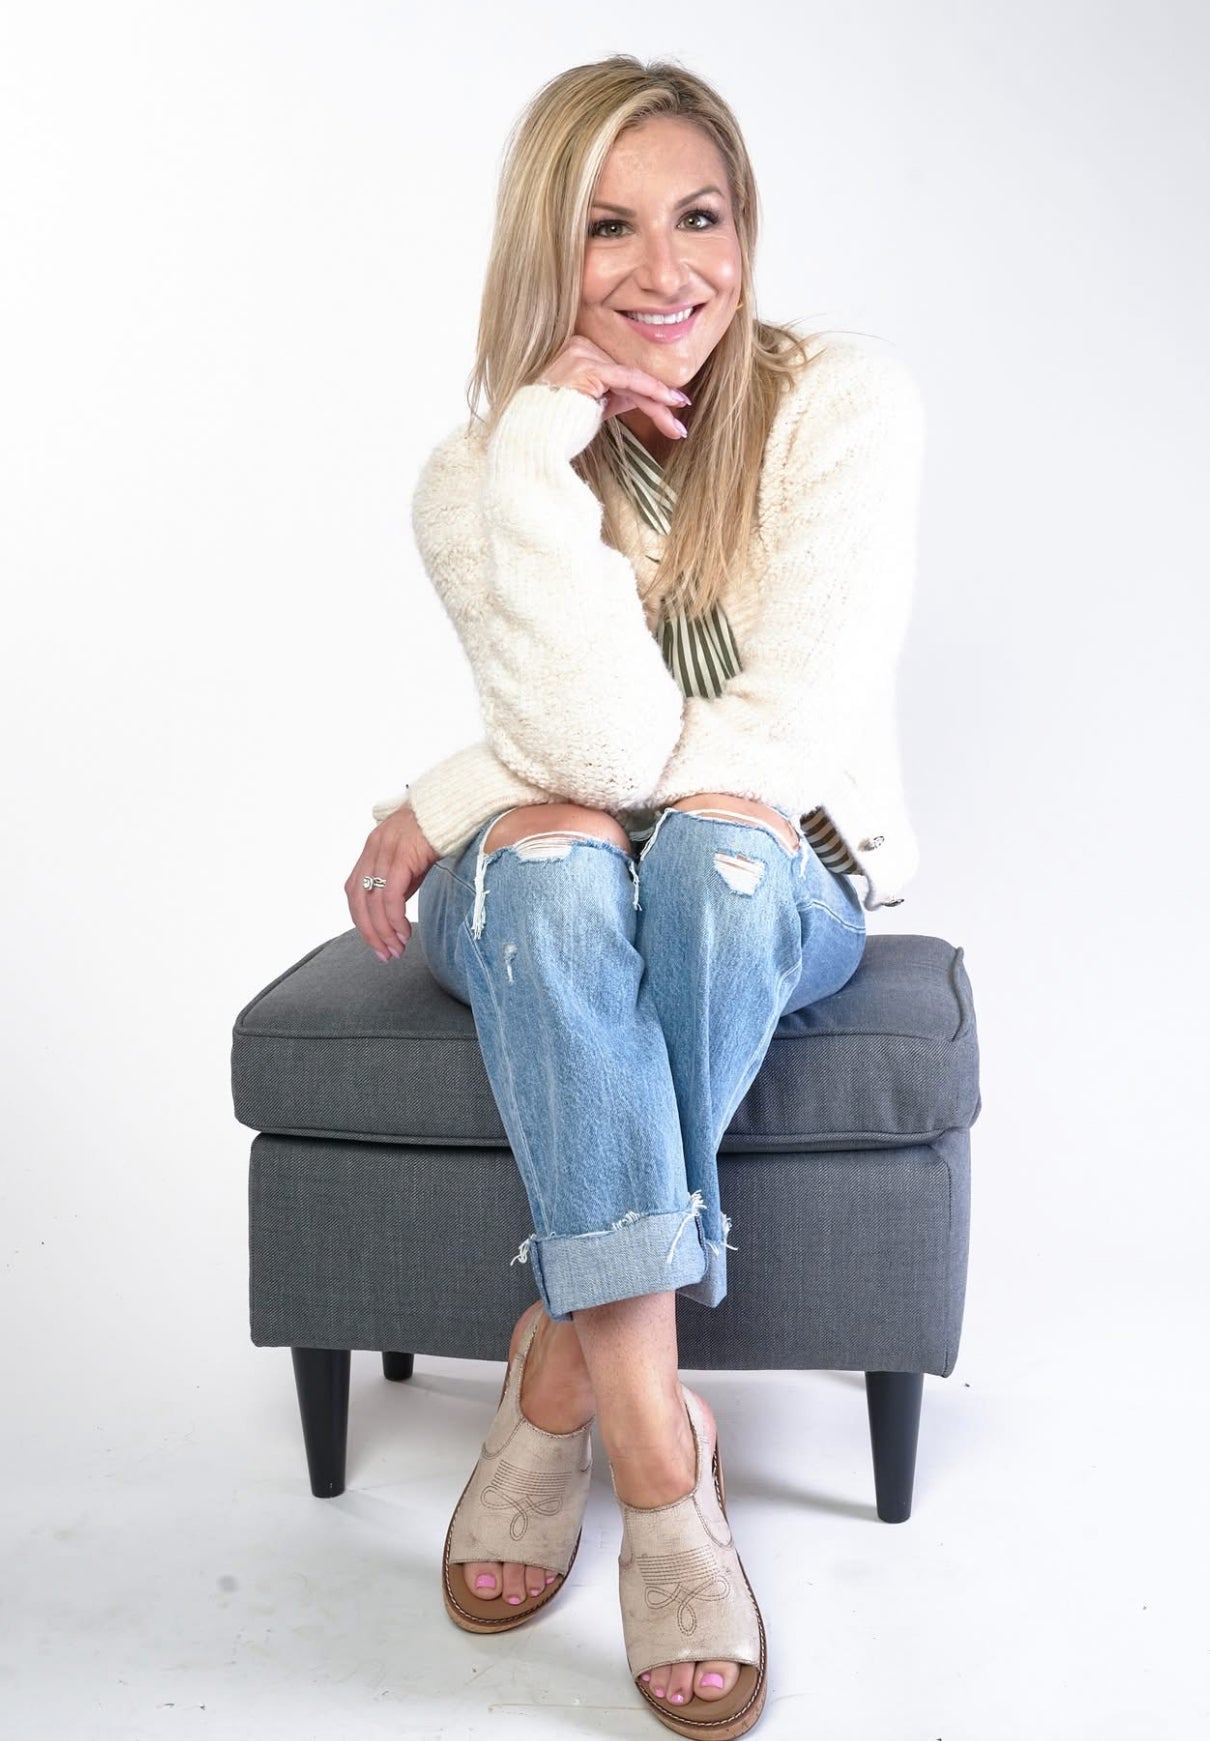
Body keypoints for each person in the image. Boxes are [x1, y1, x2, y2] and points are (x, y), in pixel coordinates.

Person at [345, 54, 925, 1739]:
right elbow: (591, 751)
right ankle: (665, 1456)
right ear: (548, 244)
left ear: (747, 229)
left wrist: (440, 791)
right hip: (553, 870)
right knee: (550, 857)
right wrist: (544, 449)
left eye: (700, 217)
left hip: (782, 866)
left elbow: (774, 736)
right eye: (610, 228)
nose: (667, 271)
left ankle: (562, 1363)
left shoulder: (842, 406)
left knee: (717, 851)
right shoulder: (478, 477)